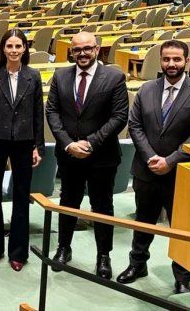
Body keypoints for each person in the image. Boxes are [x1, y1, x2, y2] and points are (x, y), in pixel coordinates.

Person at [117, 40, 190, 294]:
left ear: (187, 61)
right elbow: (135, 126)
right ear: (160, 60)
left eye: (177, 60)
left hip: (181, 174)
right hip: (146, 170)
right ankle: (137, 265)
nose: (171, 64)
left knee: (181, 228)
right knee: (143, 221)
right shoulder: (147, 90)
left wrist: (170, 161)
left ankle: (182, 278)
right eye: (166, 59)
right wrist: (152, 158)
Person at [46, 31, 128, 279]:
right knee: (68, 202)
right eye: (77, 49)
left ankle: (104, 256)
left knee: (102, 207)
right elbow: (52, 112)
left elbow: (119, 117)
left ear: (97, 48)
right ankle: (63, 247)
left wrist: (90, 143)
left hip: (102, 156)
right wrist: (69, 144)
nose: (82, 53)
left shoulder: (114, 76)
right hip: (69, 155)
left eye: (87, 48)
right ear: (71, 51)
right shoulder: (61, 76)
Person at [0, 29, 44, 272]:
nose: (14, 50)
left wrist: (38, 145)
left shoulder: (33, 76)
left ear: (25, 49)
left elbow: (38, 113)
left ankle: (18, 251)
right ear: (3, 49)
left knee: (21, 196)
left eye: (18, 46)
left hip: (24, 141)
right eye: (9, 46)